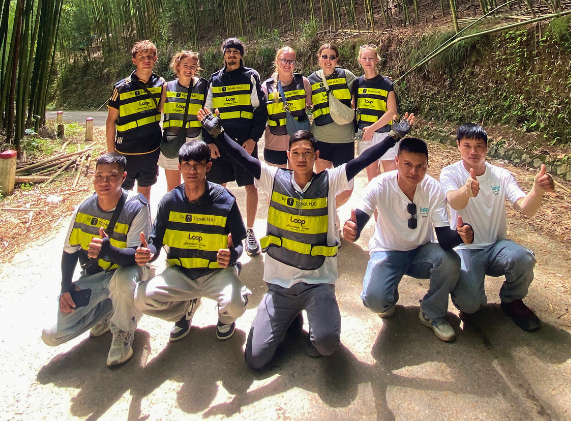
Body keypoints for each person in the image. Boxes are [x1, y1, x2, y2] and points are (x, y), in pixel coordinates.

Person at [199, 107, 416, 369]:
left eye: (307, 152)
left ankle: (314, 320)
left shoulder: (331, 180)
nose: (301, 158)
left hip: (318, 283)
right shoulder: (273, 178)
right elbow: (241, 156)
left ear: (316, 156)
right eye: (296, 153)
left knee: (326, 345)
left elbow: (365, 158)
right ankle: (292, 320)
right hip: (280, 285)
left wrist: (394, 136)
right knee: (255, 359)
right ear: (288, 156)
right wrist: (218, 133)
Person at [342, 137, 473, 343]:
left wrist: (461, 235)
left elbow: (445, 240)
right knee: (375, 301)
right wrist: (353, 230)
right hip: (387, 251)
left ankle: (432, 312)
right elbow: (359, 217)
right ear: (396, 161)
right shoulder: (380, 185)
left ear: (427, 165)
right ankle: (388, 297)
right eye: (408, 164)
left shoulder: (433, 188)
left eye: (421, 166)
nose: (414, 171)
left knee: (450, 261)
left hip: (421, 252)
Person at [41, 153, 152, 367]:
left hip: (126, 273)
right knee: (51, 335)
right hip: (94, 277)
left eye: (112, 176)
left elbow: (136, 257)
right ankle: (107, 310)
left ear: (123, 177)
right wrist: (65, 288)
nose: (104, 182)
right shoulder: (83, 209)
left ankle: (123, 330)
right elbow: (70, 251)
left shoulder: (137, 207)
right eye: (99, 175)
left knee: (124, 280)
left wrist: (108, 252)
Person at [441, 123, 554, 332]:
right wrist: (466, 191)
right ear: (458, 145)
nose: (473, 151)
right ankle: (469, 291)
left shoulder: (501, 175)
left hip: (496, 246)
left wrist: (537, 190)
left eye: (479, 146)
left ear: (487, 148)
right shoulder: (450, 173)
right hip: (466, 249)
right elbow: (454, 202)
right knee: (469, 305)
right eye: (467, 145)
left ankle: (512, 300)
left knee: (524, 259)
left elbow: (525, 208)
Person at [134, 140, 251, 342]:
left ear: (208, 166)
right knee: (142, 298)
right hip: (181, 273)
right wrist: (148, 253)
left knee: (236, 304)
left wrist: (232, 256)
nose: (192, 170)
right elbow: (155, 242)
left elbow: (239, 243)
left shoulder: (225, 200)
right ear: (179, 167)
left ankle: (225, 318)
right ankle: (184, 310)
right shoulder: (169, 202)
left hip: (217, 272)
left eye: (198, 164)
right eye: (187, 164)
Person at [204, 37, 267, 257]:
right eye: (228, 51)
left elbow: (260, 110)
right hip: (220, 143)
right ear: (223, 54)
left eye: (236, 52)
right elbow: (206, 113)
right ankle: (221, 231)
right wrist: (210, 142)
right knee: (218, 187)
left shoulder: (250, 76)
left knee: (250, 186)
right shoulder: (214, 79)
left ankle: (249, 231)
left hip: (244, 144)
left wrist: (253, 139)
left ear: (241, 55)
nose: (232, 55)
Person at [106, 40, 164, 202]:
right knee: (121, 194)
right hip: (126, 150)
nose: (146, 60)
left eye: (150, 56)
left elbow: (161, 109)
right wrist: (111, 153)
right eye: (141, 57)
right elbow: (110, 121)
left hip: (151, 149)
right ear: (134, 61)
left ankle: (143, 218)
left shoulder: (161, 85)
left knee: (144, 196)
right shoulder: (121, 88)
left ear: (155, 59)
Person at [307, 42, 358, 206]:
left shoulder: (347, 76)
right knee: (324, 185)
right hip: (321, 138)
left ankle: (330, 211)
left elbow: (363, 90)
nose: (328, 60)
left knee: (346, 187)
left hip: (344, 139)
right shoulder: (310, 80)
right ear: (318, 58)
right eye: (324, 56)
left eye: (332, 57)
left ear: (337, 59)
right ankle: (329, 216)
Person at [159, 50, 210, 191]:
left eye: (193, 66)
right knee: (173, 188)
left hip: (194, 139)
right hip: (172, 141)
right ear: (177, 66)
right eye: (185, 65)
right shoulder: (167, 87)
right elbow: (159, 110)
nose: (189, 69)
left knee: (195, 184)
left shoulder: (203, 86)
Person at [352, 44, 398, 181]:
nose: (368, 61)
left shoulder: (386, 83)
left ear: (376, 60)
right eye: (364, 58)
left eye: (371, 58)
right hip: (364, 133)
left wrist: (372, 129)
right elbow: (354, 105)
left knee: (391, 175)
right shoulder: (357, 83)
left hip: (385, 133)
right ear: (360, 60)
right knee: (372, 177)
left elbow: (392, 111)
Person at [262, 46, 313, 168]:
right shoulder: (266, 87)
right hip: (274, 145)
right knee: (277, 180)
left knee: (299, 179)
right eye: (284, 60)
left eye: (291, 61)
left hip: (299, 144)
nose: (287, 64)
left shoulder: (303, 82)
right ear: (277, 61)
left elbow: (312, 105)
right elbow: (260, 116)